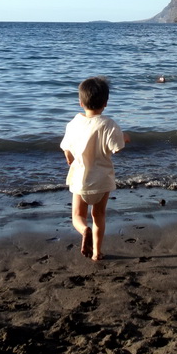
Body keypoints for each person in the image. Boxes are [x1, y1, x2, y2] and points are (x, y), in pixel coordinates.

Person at [60, 77, 130, 261]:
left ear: (80, 102)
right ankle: (97, 253)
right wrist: (125, 138)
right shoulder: (109, 125)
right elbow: (117, 147)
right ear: (106, 103)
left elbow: (67, 151)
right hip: (102, 180)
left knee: (77, 215)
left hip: (80, 180)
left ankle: (84, 230)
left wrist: (71, 157)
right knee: (99, 215)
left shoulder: (74, 123)